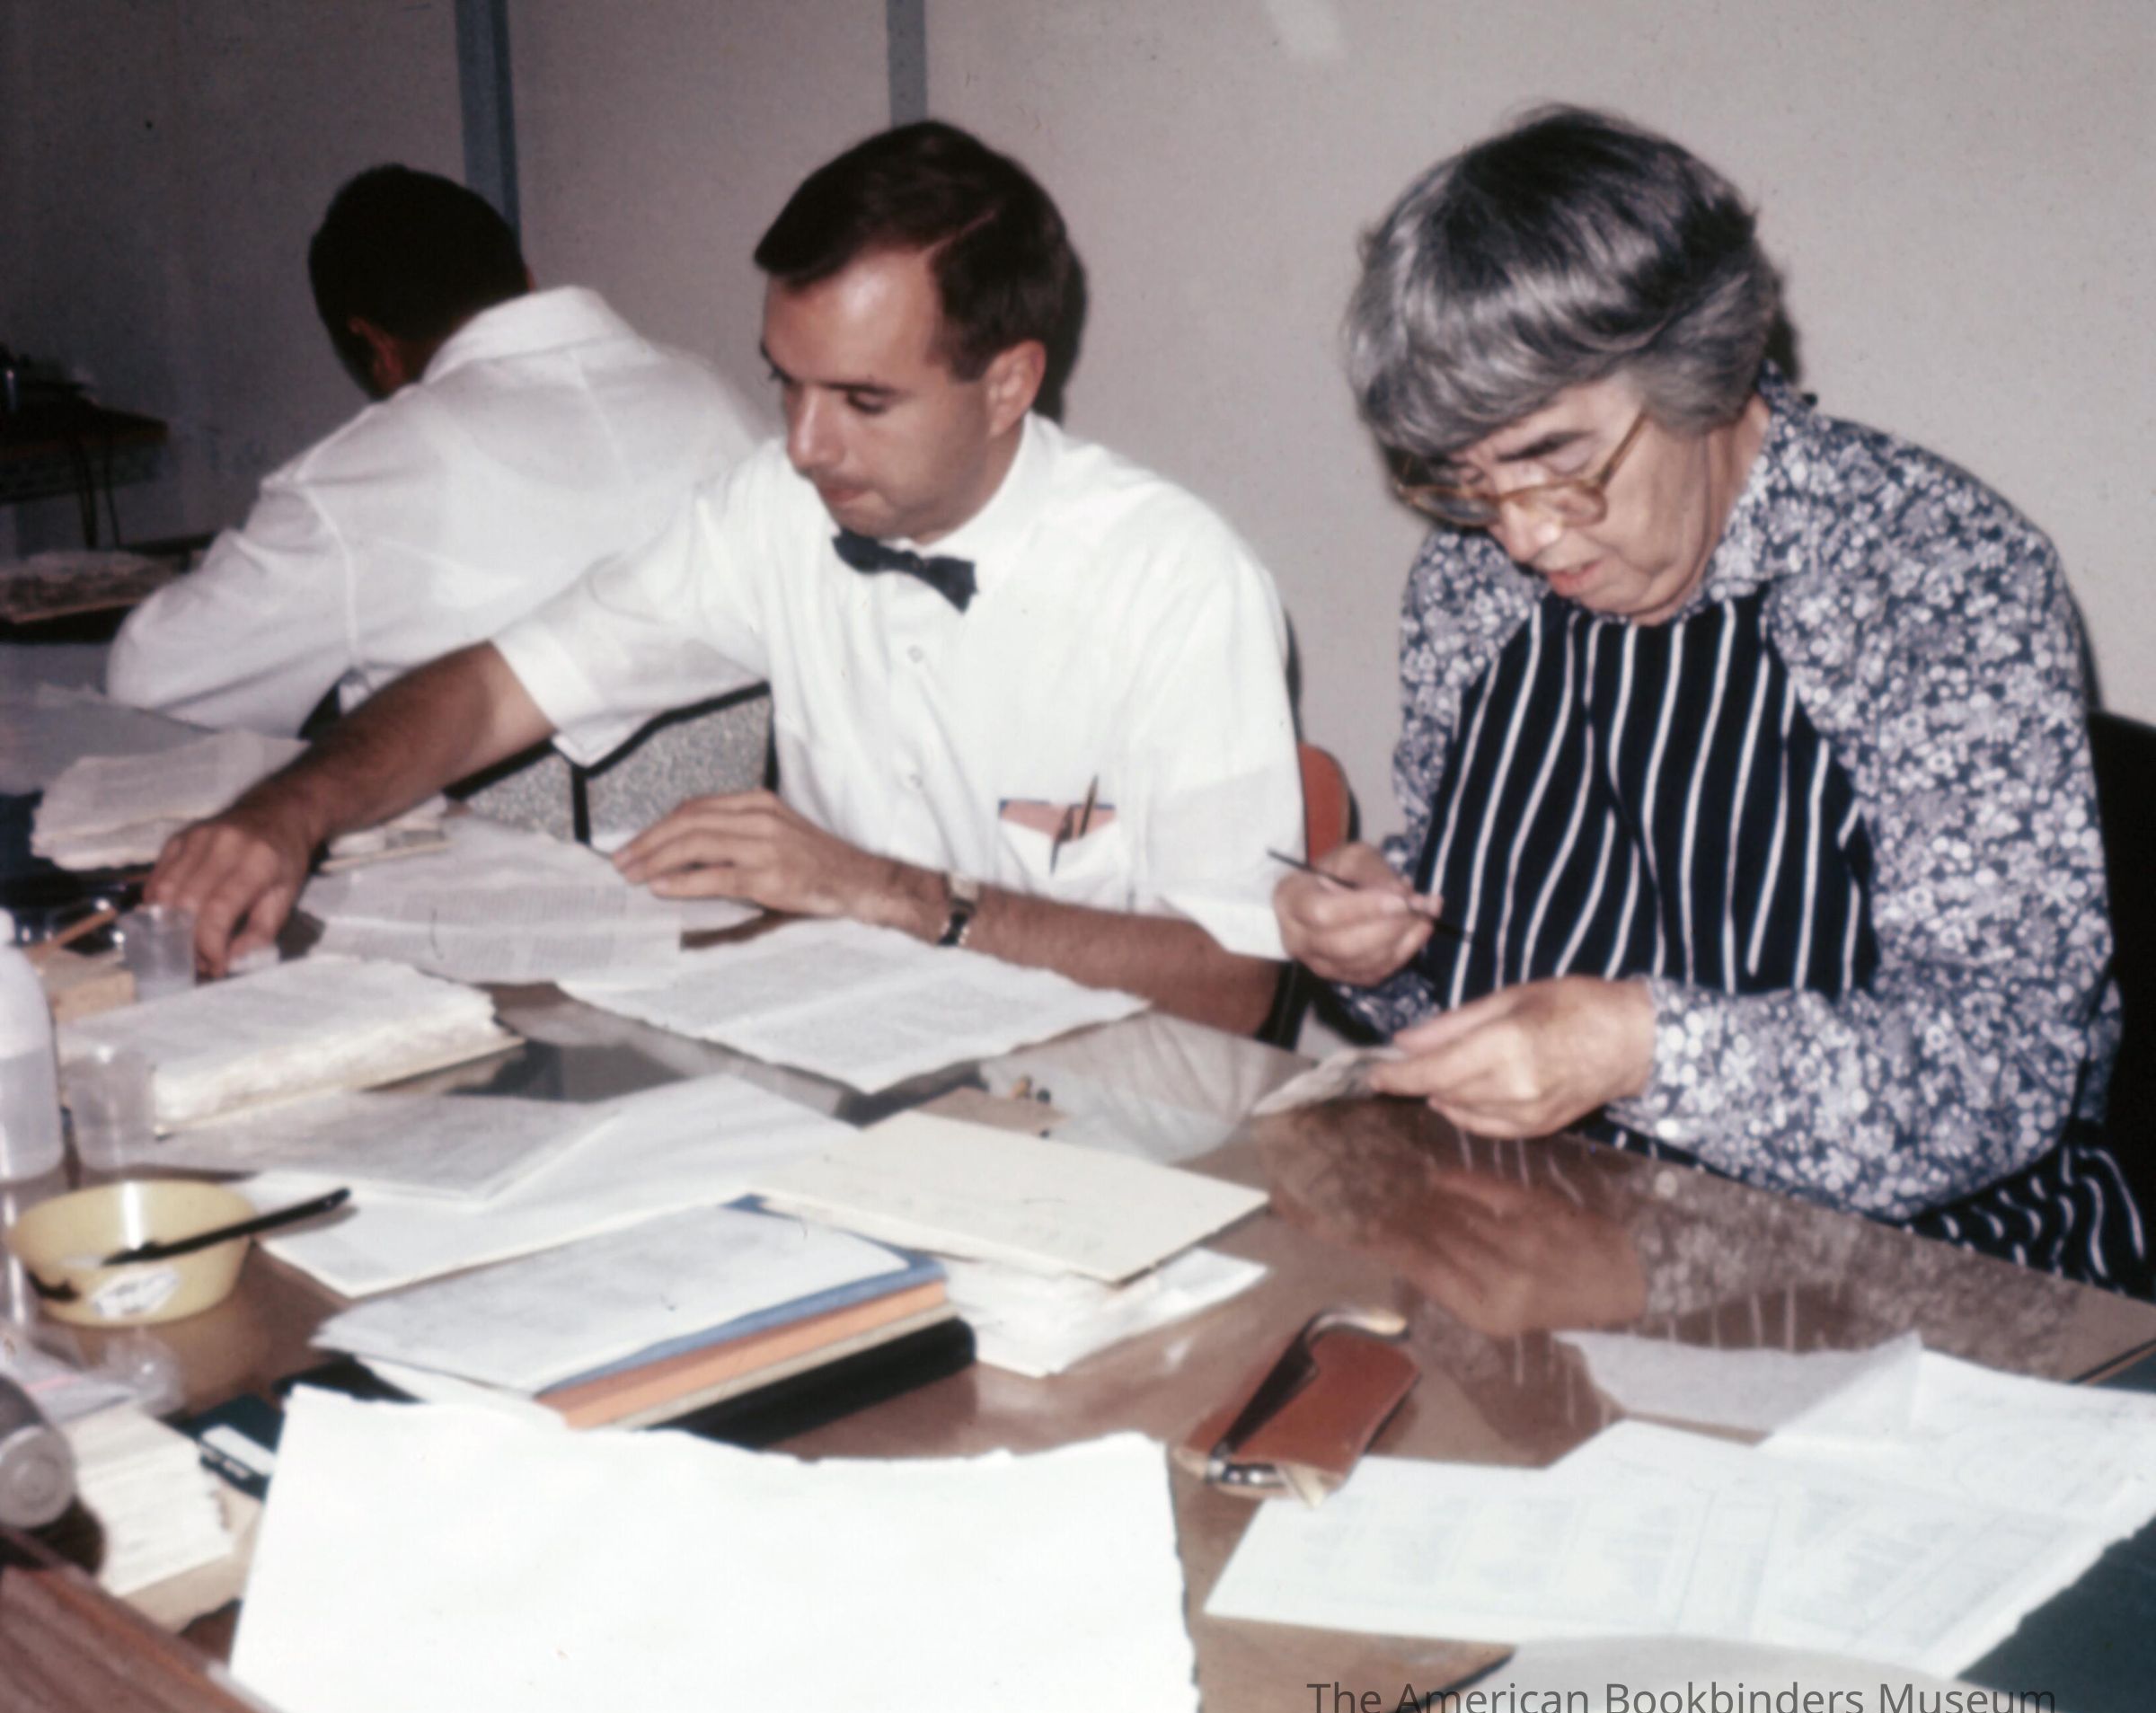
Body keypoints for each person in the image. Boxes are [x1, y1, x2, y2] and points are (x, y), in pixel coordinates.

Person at [150, 123, 1302, 1033]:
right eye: (785, 385)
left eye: (860, 400)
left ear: (1008, 385)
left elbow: (1236, 980)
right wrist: (284, 813)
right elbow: (495, 688)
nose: (804, 445)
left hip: (1109, 1126)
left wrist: (891, 892)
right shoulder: (775, 510)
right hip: (865, 1070)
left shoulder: (1177, 582)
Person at [1276, 107, 2143, 1293]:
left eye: (1558, 458)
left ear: (1696, 365)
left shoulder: (1929, 574)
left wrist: (1641, 1049)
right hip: (1545, 1242)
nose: (1524, 536)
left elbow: (1999, 1077)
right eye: (1470, 482)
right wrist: (1381, 951)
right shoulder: (1468, 588)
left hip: (1918, 1289)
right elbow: (1490, 995)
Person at [107, 164, 757, 736]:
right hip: (742, 853)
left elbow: (151, 682)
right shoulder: (713, 397)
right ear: (527, 281)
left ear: (374, 344)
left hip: (495, 864)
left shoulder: (360, 478)